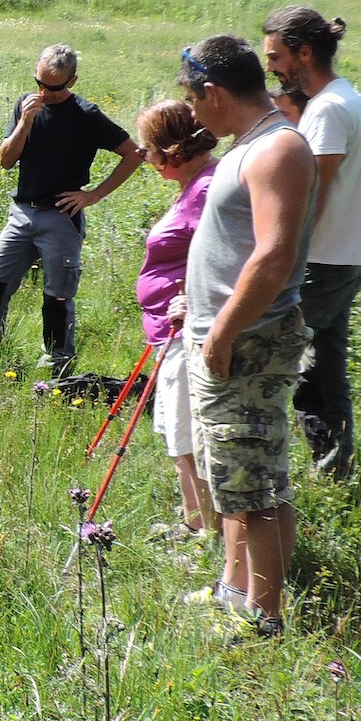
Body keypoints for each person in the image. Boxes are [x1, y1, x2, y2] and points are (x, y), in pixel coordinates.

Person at [178, 36, 317, 637]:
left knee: (252, 484)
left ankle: (263, 619)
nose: (189, 112)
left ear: (213, 92)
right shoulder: (248, 146)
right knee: (238, 477)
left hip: (247, 342)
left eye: (191, 98)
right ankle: (235, 590)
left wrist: (222, 332)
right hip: (227, 337)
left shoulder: (277, 150)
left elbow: (276, 254)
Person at [262, 6, 361, 479]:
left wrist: (277, 259)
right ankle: (334, 470)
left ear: (304, 53)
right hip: (339, 262)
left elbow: (315, 195)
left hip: (317, 265)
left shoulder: (328, 111)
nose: (270, 66)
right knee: (324, 373)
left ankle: (262, 472)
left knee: (261, 360)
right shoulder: (348, 100)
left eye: (275, 56)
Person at [0, 43, 144, 375]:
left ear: (73, 81)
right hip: (22, 213)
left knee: (57, 297)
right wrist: (25, 122)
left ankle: (57, 369)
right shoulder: (26, 106)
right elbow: (6, 162)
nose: (44, 92)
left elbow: (134, 153)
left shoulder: (87, 115)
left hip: (61, 219)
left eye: (54, 87)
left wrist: (92, 195)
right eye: (39, 82)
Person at [132, 100, 220, 538]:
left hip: (188, 331)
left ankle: (206, 532)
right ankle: (194, 523)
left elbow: (221, 257)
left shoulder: (207, 188)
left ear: (172, 149)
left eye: (149, 149)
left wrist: (191, 301)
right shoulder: (193, 184)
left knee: (188, 435)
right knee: (175, 431)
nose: (145, 158)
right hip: (169, 333)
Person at [273, 88, 361, 243]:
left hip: (324, 263)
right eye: (273, 115)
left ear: (308, 117)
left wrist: (352, 241)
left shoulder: (333, 163)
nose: (277, 123)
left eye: (284, 115)